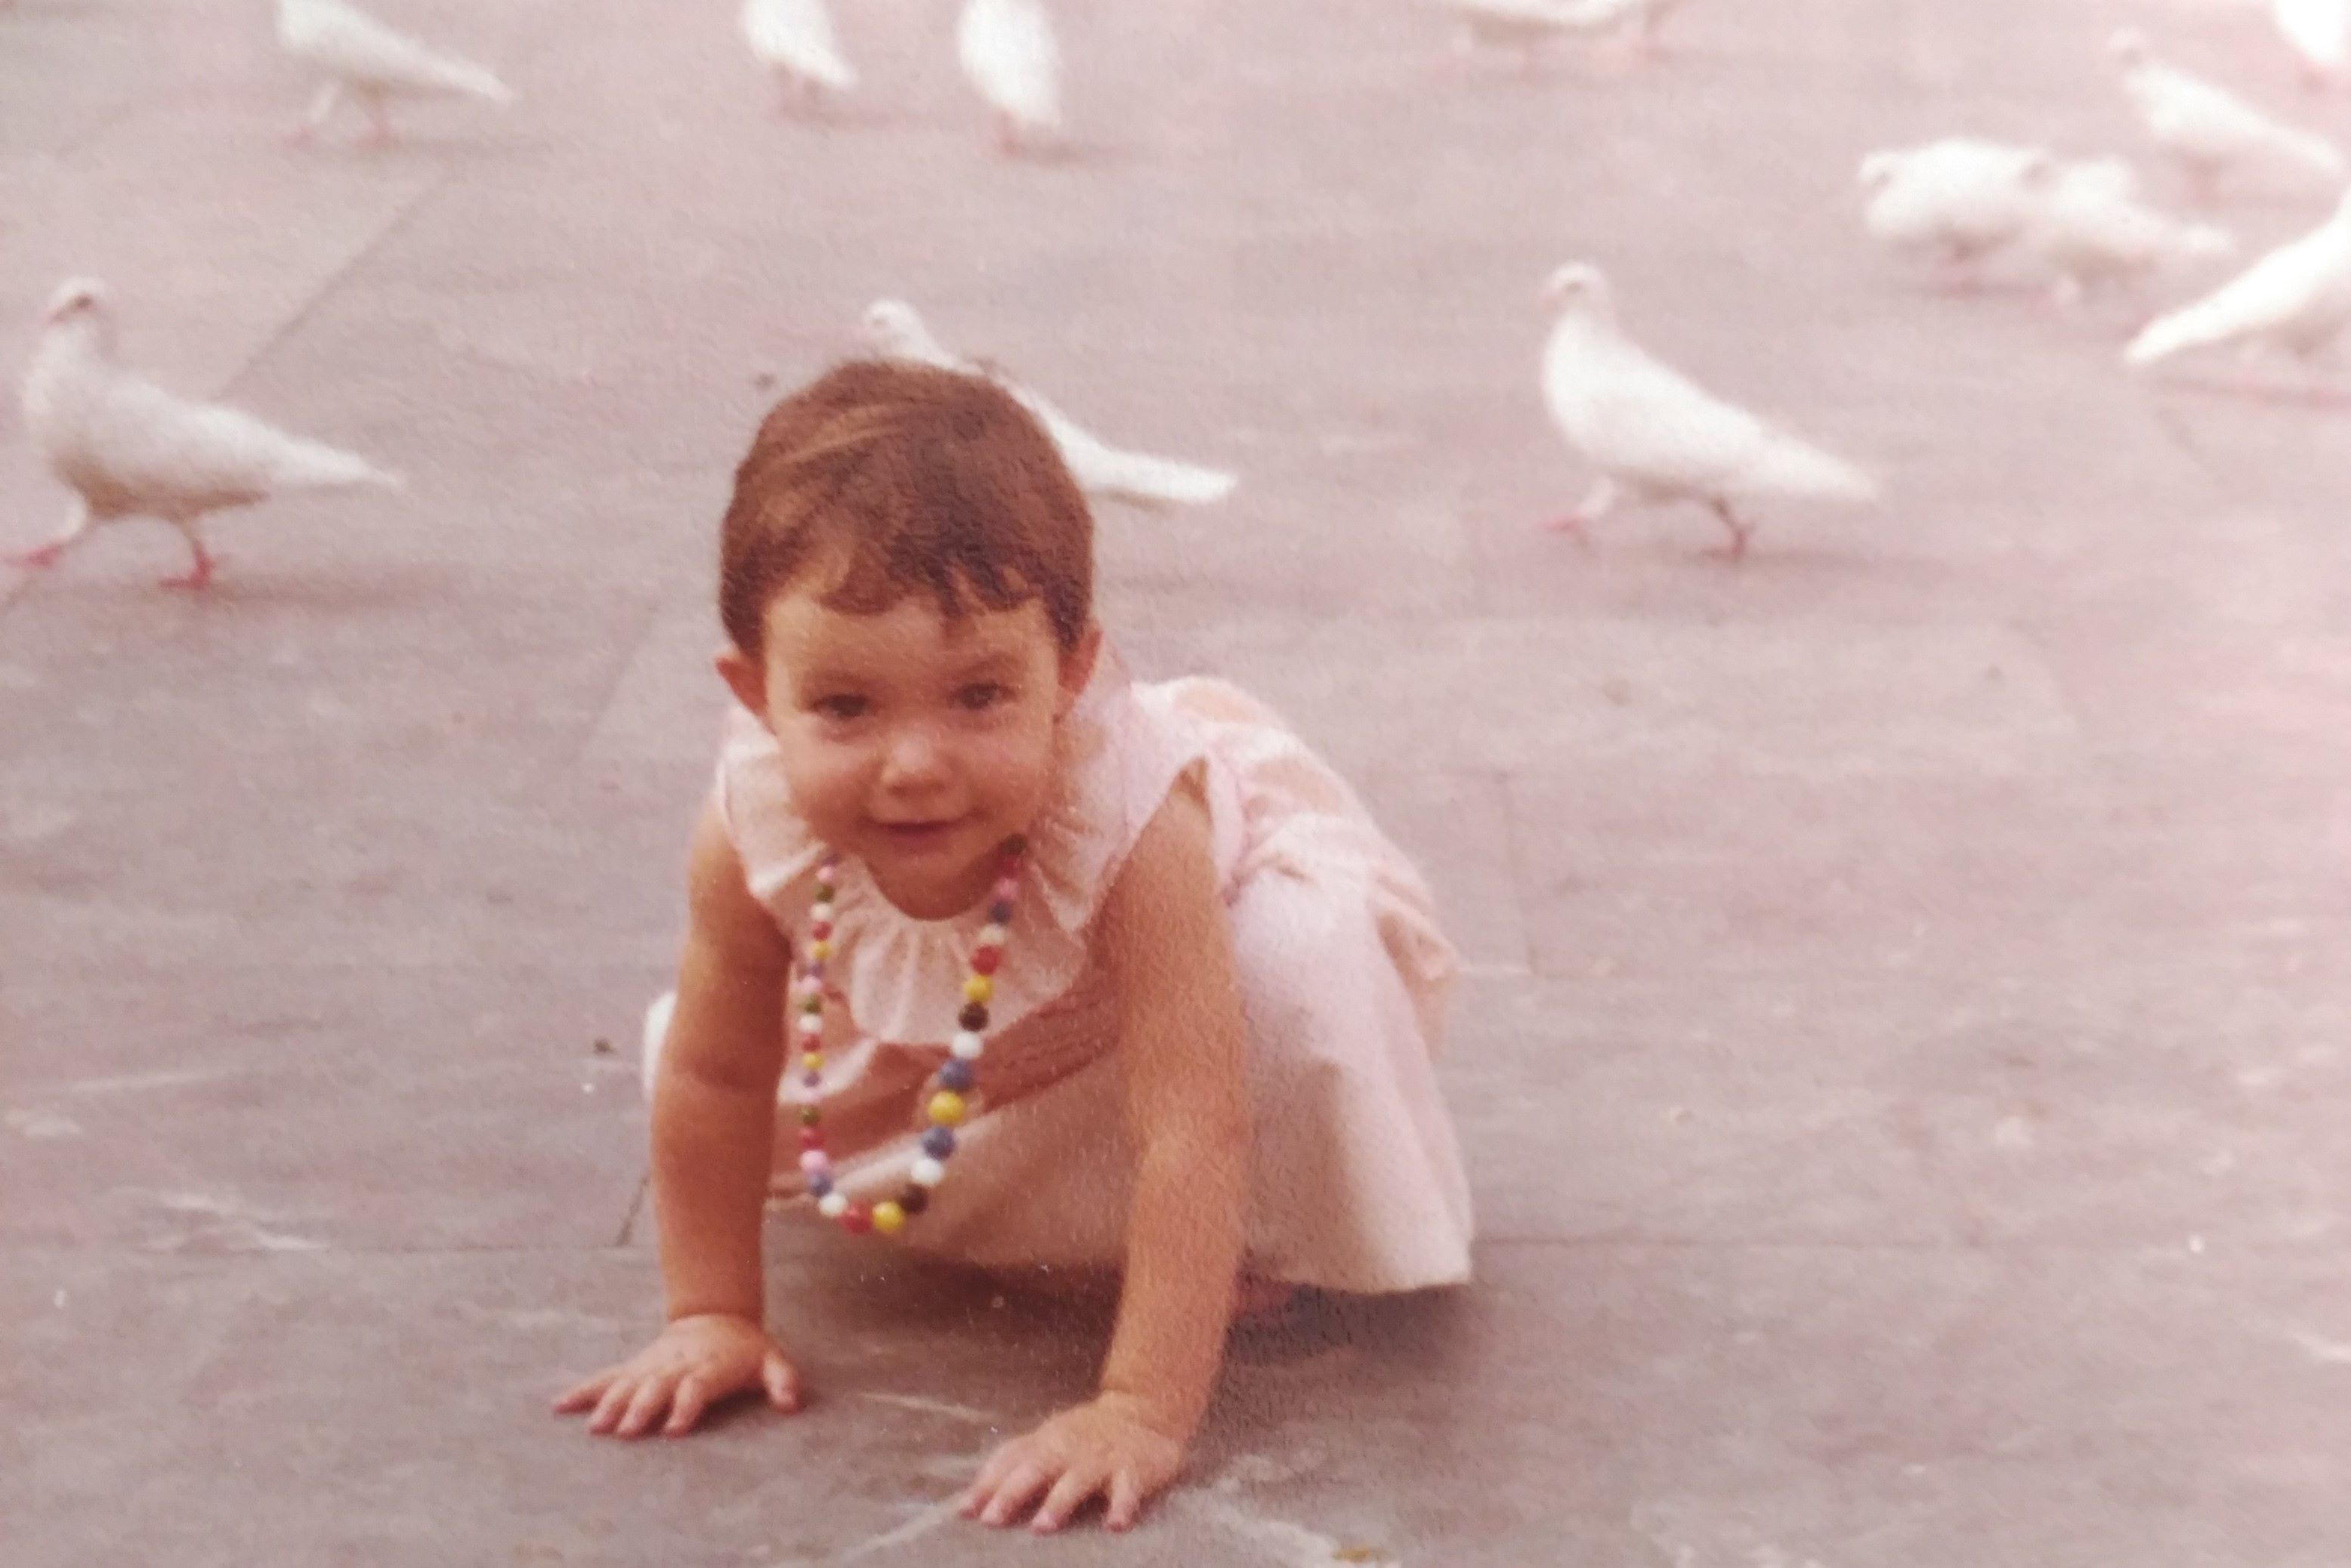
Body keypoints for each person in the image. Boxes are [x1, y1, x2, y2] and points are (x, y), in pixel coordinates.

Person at [553, 360, 1472, 1533]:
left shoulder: (1135, 819)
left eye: (981, 694)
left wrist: (1140, 1408)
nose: (916, 763)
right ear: (755, 695)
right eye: (844, 707)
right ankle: (1033, 1191)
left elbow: (1194, 1123)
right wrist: (712, 1313)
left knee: (1291, 979)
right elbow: (715, 1068)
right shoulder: (753, 823)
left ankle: (1240, 1247)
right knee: (711, 1038)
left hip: (1192, 1013)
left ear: (1072, 672)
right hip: (977, 1026)